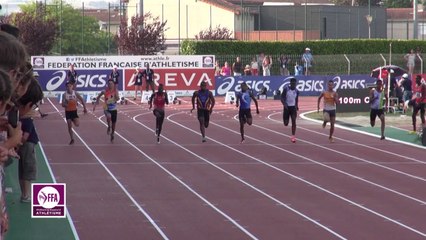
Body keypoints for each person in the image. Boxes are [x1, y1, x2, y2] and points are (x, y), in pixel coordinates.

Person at [16, 78, 44, 203]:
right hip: (27, 144)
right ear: (29, 105)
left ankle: (24, 194)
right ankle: (26, 195)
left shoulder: (22, 115)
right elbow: (26, 136)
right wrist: (17, 145)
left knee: (22, 170)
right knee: (27, 169)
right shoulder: (28, 118)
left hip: (22, 144)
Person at [281, 78, 299, 143]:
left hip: (293, 108)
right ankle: (285, 120)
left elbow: (296, 99)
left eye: (295, 84)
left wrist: (297, 106)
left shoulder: (297, 91)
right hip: (286, 108)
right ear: (290, 83)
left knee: (294, 120)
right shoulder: (286, 89)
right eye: (293, 84)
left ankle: (293, 136)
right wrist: (284, 104)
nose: (294, 85)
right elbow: (282, 98)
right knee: (286, 123)